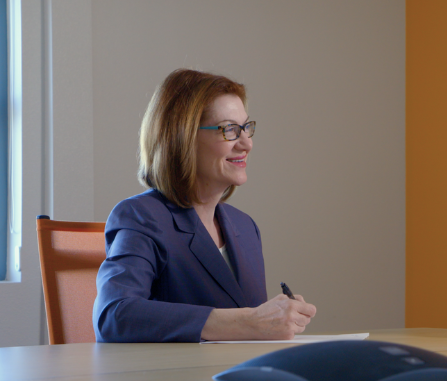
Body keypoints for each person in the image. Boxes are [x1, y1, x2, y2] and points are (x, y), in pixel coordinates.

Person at [93, 69, 316, 342]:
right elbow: (114, 315)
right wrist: (249, 321)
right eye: (229, 130)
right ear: (182, 138)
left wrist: (274, 321)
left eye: (246, 127)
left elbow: (250, 336)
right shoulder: (142, 217)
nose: (247, 144)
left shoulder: (246, 228)